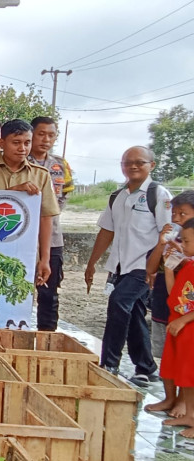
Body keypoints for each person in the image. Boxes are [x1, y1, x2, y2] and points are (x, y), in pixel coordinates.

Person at [85, 146, 172, 385]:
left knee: (118, 303)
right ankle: (146, 367)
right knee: (133, 312)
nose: (133, 166)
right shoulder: (117, 196)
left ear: (151, 165)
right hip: (121, 266)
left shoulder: (159, 194)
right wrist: (92, 263)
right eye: (127, 162)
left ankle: (109, 364)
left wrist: (156, 267)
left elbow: (168, 233)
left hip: (145, 266)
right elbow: (107, 231)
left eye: (139, 162)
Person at [0, 119, 60, 287]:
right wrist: (15, 192)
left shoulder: (41, 175)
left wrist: (45, 259)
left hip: (26, 252)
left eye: (27, 143)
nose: (22, 148)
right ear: (2, 143)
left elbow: (46, 218)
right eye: (16, 143)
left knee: (19, 299)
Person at [145, 190, 194, 415]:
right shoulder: (176, 240)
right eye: (174, 213)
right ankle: (168, 398)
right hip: (167, 303)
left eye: (182, 214)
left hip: (187, 314)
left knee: (186, 359)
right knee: (168, 355)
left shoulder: (189, 244)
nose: (175, 219)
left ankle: (184, 402)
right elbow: (151, 268)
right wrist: (161, 245)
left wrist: (182, 251)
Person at [28, 116, 74, 331]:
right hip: (22, 235)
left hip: (53, 238)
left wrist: (48, 213)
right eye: (41, 134)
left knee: (49, 291)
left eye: (51, 135)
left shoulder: (60, 165)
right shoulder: (21, 159)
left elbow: (62, 197)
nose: (46, 139)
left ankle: (47, 335)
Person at [155, 219, 194, 437]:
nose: (184, 245)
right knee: (183, 373)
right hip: (178, 326)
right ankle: (190, 414)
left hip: (188, 327)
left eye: (187, 241)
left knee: (192, 374)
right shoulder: (188, 265)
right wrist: (169, 268)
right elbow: (175, 295)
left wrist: (185, 319)